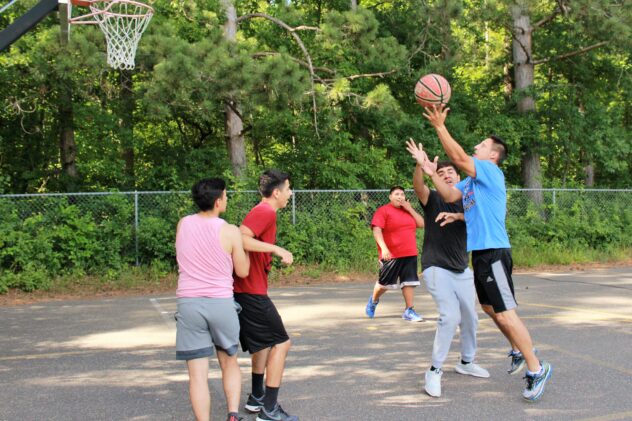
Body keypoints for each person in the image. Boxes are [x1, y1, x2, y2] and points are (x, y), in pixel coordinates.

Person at [418, 104, 553, 401]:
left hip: (494, 252)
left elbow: (458, 158)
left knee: (506, 314)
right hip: (479, 255)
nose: (475, 147)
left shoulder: (490, 171)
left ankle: (536, 367)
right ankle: (519, 349)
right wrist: (430, 173)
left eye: (481, 145)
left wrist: (440, 126)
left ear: (492, 154)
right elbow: (452, 195)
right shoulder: (471, 182)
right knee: (491, 309)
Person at [406, 139, 489, 398]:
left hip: (462, 268)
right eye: (440, 173)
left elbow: (479, 217)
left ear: (458, 175)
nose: (446, 175)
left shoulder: (468, 198)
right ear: (435, 178)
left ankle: (466, 362)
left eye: (449, 172)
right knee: (449, 316)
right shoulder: (432, 199)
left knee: (471, 317)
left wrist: (459, 216)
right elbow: (417, 187)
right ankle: (434, 370)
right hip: (436, 267)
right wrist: (421, 165)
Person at [174, 178, 250, 421]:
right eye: (226, 196)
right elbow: (242, 271)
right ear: (218, 202)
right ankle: (232, 414)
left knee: (197, 375)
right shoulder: (229, 230)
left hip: (189, 303)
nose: (227, 199)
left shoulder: (183, 224)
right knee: (229, 362)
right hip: (221, 303)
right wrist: (244, 250)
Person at [233, 169, 298, 421]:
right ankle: (269, 410)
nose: (290, 193)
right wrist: (277, 249)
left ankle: (257, 397)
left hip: (249, 290)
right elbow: (241, 238)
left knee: (263, 344)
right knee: (282, 342)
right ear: (277, 192)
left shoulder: (264, 211)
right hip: (250, 292)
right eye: (288, 189)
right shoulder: (265, 211)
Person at [365, 186, 425, 322]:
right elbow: (377, 230)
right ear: (390, 197)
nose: (400, 197)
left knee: (409, 282)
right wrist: (384, 248)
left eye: (402, 194)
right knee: (385, 284)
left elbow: (421, 224)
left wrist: (410, 208)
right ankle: (373, 300)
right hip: (391, 254)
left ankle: (409, 310)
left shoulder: (408, 211)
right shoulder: (383, 211)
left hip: (409, 253)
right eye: (396, 194)